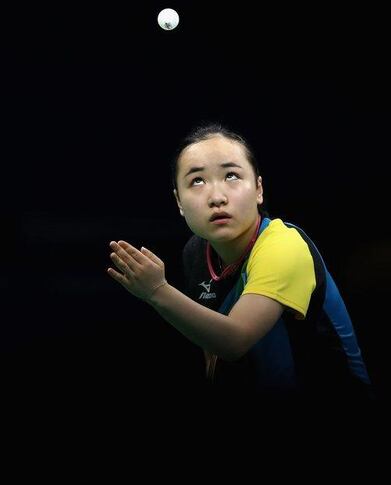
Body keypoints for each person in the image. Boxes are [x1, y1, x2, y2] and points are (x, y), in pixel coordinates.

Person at [107, 123, 372, 402]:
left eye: (231, 175)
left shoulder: (284, 246)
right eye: (197, 181)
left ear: (258, 189)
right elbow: (214, 355)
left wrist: (157, 291)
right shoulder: (195, 253)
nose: (217, 198)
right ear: (179, 202)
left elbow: (235, 341)